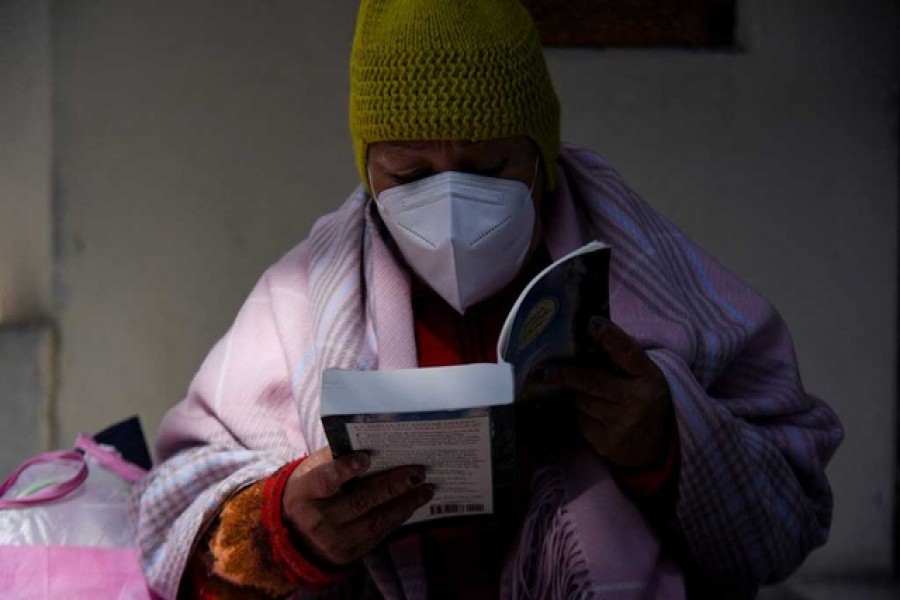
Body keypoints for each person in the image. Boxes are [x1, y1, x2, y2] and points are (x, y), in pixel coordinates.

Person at [130, 1, 843, 598]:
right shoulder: (303, 298)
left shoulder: (643, 263)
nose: (448, 200)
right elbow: (175, 522)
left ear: (541, 155)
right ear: (366, 167)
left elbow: (788, 502)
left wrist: (666, 439)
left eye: (487, 166)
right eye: (409, 174)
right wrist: (287, 530)